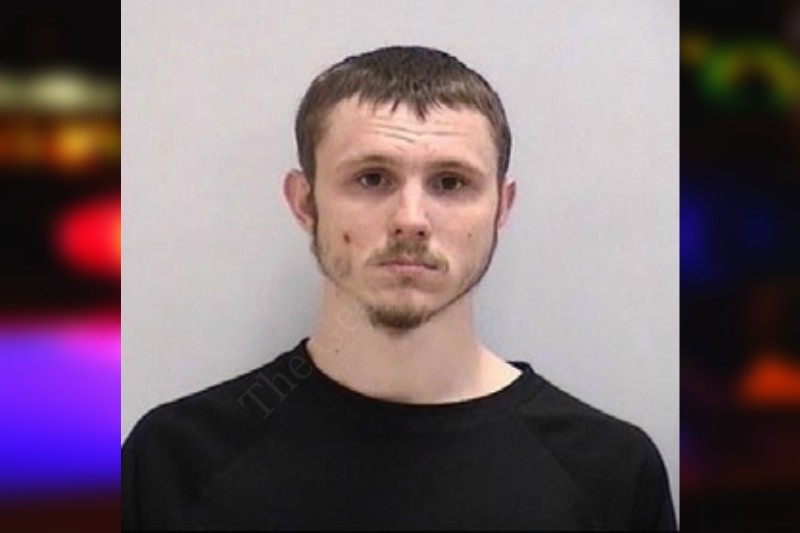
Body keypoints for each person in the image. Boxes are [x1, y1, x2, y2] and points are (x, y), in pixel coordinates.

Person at [122, 45, 676, 530]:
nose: (411, 219)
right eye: (372, 178)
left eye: (450, 183)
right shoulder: (176, 461)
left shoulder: (609, 472)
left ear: (501, 208)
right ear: (305, 202)